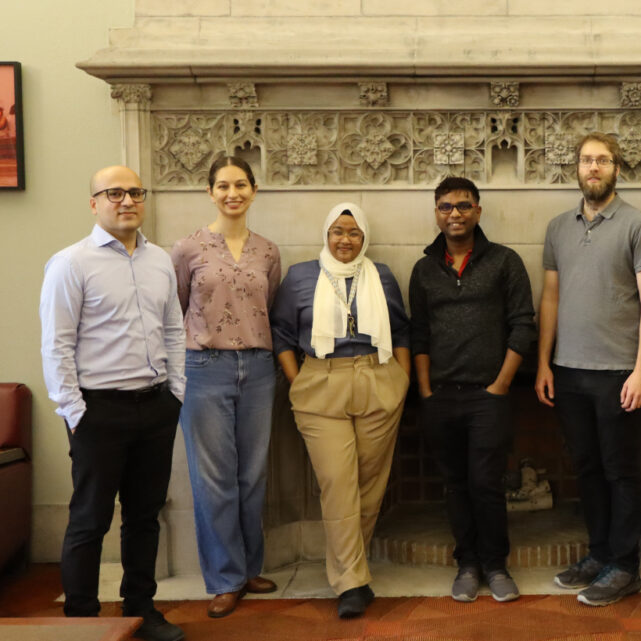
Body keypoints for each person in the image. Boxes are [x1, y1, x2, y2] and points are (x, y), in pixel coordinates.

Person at [40, 166, 186, 641]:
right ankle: (82, 620)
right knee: (90, 518)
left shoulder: (159, 259)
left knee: (144, 516)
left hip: (155, 406)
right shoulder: (71, 263)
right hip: (97, 412)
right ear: (94, 203)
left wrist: (176, 393)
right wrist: (74, 412)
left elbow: (173, 331)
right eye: (114, 193)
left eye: (135, 192)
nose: (127, 200)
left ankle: (140, 609)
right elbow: (56, 345)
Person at [536, 132, 641, 606]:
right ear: (577, 168)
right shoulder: (558, 227)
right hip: (568, 372)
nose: (594, 167)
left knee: (620, 471)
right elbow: (550, 297)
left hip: (618, 373)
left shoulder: (637, 224)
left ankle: (625, 566)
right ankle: (599, 553)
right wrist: (544, 363)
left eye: (603, 160)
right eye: (587, 160)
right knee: (586, 468)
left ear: (616, 168)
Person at [270, 202, 410, 618]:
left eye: (353, 233)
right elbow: (280, 333)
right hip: (320, 383)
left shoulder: (380, 275)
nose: (344, 240)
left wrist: (400, 378)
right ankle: (350, 582)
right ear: (325, 235)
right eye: (337, 231)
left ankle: (354, 569)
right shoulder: (299, 277)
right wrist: (299, 380)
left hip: (377, 379)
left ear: (364, 237)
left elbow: (401, 327)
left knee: (370, 482)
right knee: (337, 481)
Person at [409, 177, 536, 603]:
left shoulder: (504, 261)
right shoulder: (424, 269)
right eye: (445, 206)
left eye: (463, 205)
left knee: (486, 482)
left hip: (489, 396)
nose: (455, 214)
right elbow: (420, 333)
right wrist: (425, 390)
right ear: (436, 213)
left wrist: (500, 385)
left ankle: (496, 565)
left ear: (478, 211)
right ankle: (467, 563)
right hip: (441, 395)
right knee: (455, 483)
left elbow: (523, 325)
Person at [170, 156, 281, 618]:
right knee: (213, 478)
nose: (232, 192)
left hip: (258, 368)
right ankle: (224, 577)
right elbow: (175, 308)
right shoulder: (187, 249)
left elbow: (269, 305)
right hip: (205, 367)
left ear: (254, 190)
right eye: (222, 185)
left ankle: (248, 567)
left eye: (240, 184)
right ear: (210, 192)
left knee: (251, 475)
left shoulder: (269, 251)